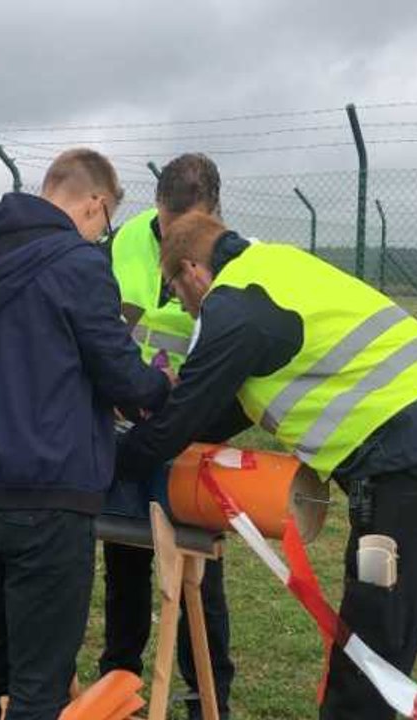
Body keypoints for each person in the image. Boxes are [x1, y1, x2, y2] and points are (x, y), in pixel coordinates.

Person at [118, 212, 417, 720]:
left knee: (368, 658)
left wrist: (115, 460)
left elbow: (183, 418)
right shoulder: (283, 267)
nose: (179, 302)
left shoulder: (232, 306)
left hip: (413, 473)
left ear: (192, 269)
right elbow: (218, 412)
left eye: (175, 288)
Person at [0, 148, 173, 720]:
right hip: (47, 496)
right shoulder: (78, 264)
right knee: (39, 684)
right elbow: (119, 372)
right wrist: (159, 384)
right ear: (95, 203)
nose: (103, 230)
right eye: (106, 217)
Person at [101, 153, 236, 720]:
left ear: (215, 213)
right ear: (155, 207)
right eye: (167, 225)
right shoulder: (121, 243)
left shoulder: (231, 256)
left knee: (199, 574)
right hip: (128, 423)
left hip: (192, 434)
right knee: (126, 562)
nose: (176, 240)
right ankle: (120, 689)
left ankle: (208, 697)